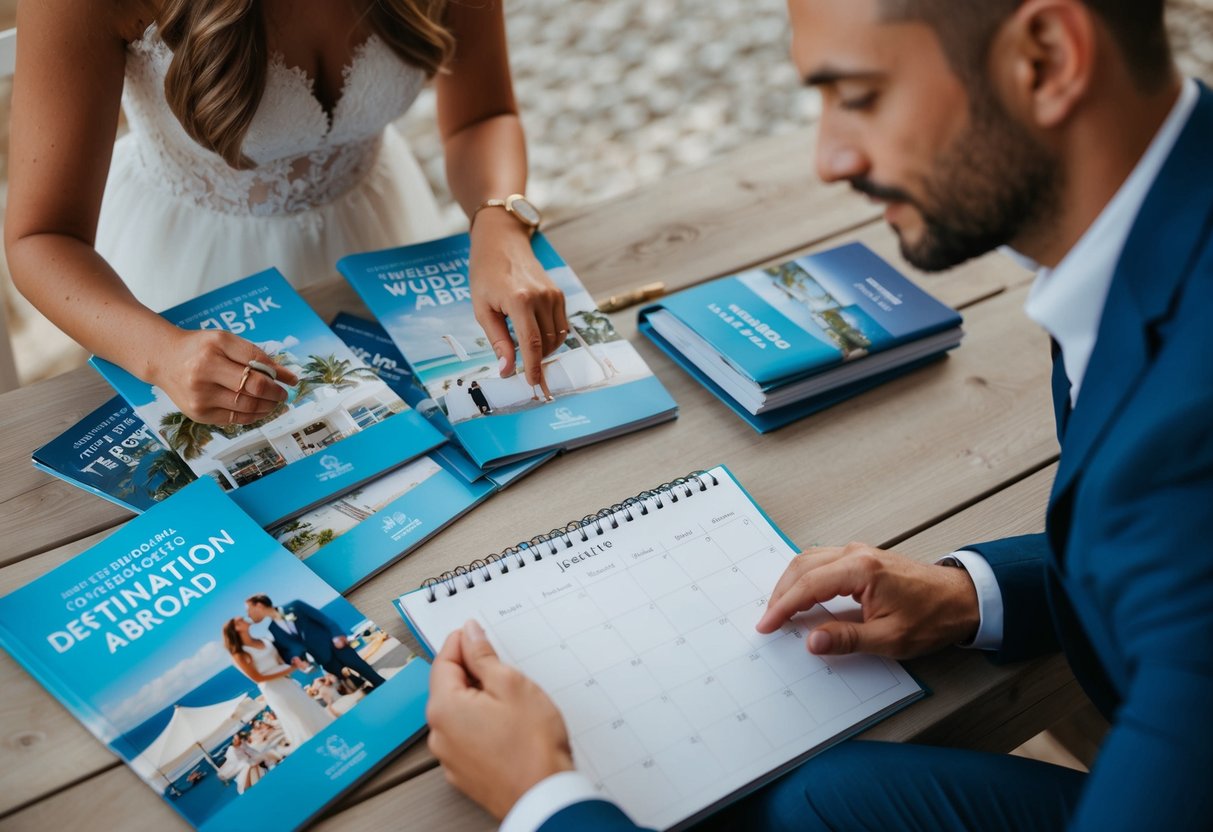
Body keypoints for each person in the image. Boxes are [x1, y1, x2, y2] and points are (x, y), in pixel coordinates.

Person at [425, 1, 1213, 830]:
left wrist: (541, 798)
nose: (829, 159)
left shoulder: (1185, 450)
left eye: (860, 95)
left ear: (1047, 59)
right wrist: (973, 594)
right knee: (812, 803)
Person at [5, 0, 568, 427]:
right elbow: (40, 237)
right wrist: (161, 354)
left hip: (380, 233)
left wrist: (500, 223)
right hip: (189, 280)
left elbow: (483, 115)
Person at [221, 617, 335, 752]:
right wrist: (289, 669)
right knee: (297, 718)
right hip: (273, 690)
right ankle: (316, 750)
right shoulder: (239, 654)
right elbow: (257, 677)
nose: (245, 619)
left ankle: (331, 738)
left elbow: (280, 661)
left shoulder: (264, 640)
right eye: (241, 620)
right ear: (236, 628)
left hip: (288, 683)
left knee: (309, 709)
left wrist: (294, 664)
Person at [245, 593, 386, 689]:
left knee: (370, 674)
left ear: (259, 605)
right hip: (324, 660)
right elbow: (288, 650)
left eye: (249, 610)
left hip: (337, 646)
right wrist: (295, 658)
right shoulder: (272, 629)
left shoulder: (296, 606)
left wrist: (337, 636)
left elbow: (325, 620)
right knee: (357, 686)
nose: (248, 615)